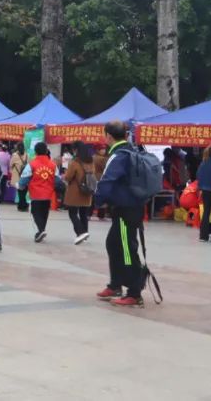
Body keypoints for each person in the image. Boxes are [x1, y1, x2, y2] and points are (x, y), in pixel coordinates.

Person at [94, 121, 152, 307]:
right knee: (113, 244)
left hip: (127, 209)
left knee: (127, 249)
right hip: (128, 207)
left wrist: (96, 201)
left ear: (109, 136)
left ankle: (134, 293)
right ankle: (116, 284)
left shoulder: (119, 155)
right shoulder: (131, 151)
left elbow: (107, 180)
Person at [19, 142, 59, 243]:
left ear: (35, 152)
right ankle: (41, 232)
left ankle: (41, 231)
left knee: (35, 212)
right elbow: (57, 180)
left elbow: (24, 179)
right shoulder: (53, 165)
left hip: (36, 194)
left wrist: (20, 186)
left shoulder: (32, 164)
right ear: (46, 151)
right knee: (44, 213)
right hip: (48, 194)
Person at [62, 142, 95, 244]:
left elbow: (68, 177)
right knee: (83, 213)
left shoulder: (75, 162)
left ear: (76, 150)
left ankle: (81, 232)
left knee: (72, 213)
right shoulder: (91, 162)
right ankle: (85, 233)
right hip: (87, 192)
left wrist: (64, 176)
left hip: (75, 192)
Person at [92, 144, 110, 220]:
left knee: (92, 196)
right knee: (102, 196)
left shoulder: (92, 157)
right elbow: (106, 168)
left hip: (93, 178)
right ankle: (101, 215)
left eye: (104, 149)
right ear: (98, 150)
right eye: (102, 149)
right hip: (101, 178)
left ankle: (88, 214)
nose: (104, 151)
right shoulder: (103, 159)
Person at [9, 142, 28, 212]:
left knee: (20, 192)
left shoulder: (14, 155)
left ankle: (22, 206)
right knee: (24, 191)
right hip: (25, 175)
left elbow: (11, 164)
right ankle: (23, 205)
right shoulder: (27, 155)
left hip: (17, 175)